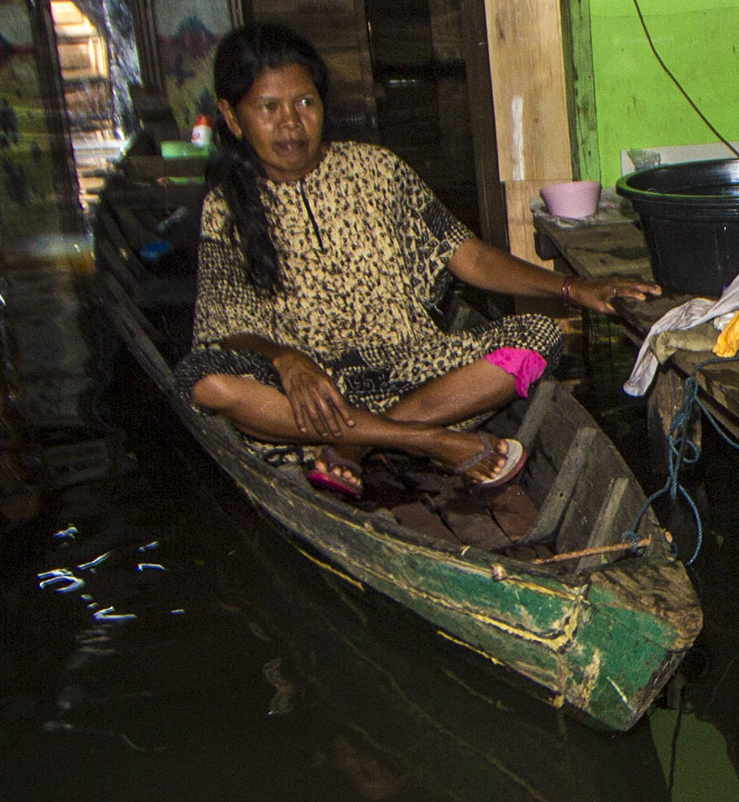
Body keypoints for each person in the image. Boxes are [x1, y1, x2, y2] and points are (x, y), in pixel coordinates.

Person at [182, 24, 651, 492]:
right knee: (205, 380)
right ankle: (423, 441)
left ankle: (359, 443)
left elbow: (469, 257)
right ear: (233, 116)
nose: (291, 122)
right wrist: (287, 360)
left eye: (305, 102)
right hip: (310, 398)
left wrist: (573, 289)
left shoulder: (377, 171)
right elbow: (226, 328)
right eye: (269, 108)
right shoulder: (225, 206)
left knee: (538, 339)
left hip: (413, 376)